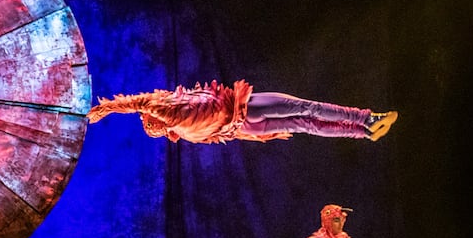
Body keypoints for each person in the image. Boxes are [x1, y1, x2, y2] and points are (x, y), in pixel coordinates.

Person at [86, 80, 397, 143]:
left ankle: (362, 131)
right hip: (245, 110)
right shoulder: (167, 112)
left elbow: (225, 134)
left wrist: (261, 138)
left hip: (245, 128)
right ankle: (365, 118)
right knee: (306, 108)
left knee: (305, 124)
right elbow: (137, 103)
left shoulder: (188, 134)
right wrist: (107, 108)